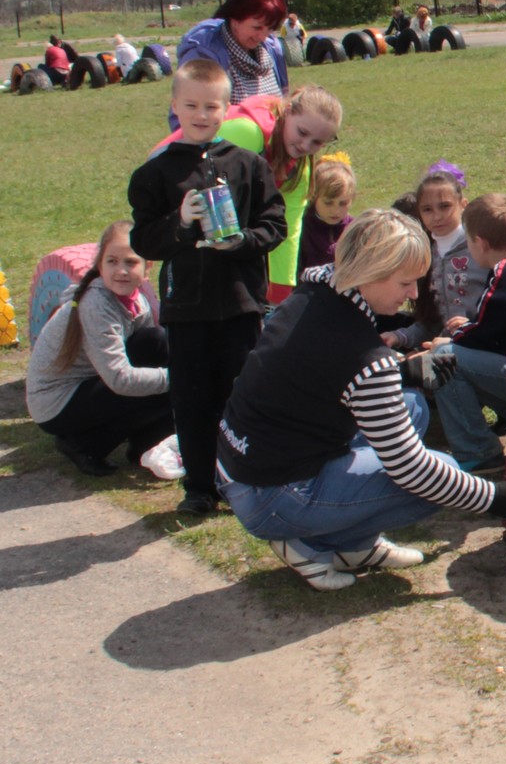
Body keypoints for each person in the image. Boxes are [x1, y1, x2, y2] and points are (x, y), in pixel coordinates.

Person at [217, 209, 506, 590]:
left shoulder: (311, 294)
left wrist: (402, 373)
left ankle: (354, 544)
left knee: (414, 407)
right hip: (273, 495)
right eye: (406, 283)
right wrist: (498, 496)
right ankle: (315, 545)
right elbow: (413, 472)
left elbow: (316, 373)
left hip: (237, 466)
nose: (413, 295)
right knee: (441, 469)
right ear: (370, 272)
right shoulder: (365, 357)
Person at [127, 59, 286, 513]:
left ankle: (244, 481)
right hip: (186, 309)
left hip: (241, 304)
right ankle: (199, 488)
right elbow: (144, 240)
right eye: (191, 105)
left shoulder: (249, 165)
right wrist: (179, 224)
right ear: (174, 106)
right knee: (193, 401)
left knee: (241, 396)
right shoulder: (154, 174)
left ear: (226, 109)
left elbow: (274, 226)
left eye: (211, 106)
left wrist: (242, 242)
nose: (201, 115)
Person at [150, 84, 342, 304]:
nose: (306, 145)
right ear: (288, 111)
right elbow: (200, 179)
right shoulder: (248, 132)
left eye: (317, 142)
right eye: (302, 132)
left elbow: (286, 232)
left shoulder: (299, 171)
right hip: (168, 184)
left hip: (207, 212)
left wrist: (280, 295)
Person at [25, 220, 181, 479]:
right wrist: (180, 379)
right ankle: (85, 444)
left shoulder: (137, 299)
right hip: (55, 403)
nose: (121, 270)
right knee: (166, 385)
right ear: (99, 264)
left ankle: (146, 444)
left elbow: (153, 348)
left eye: (130, 262)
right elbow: (120, 380)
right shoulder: (97, 304)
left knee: (157, 343)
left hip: (91, 383)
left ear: (147, 267)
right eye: (112, 261)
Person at [430, 192, 506, 474]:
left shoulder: (504, 272)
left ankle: (477, 451)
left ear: (481, 243)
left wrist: (453, 338)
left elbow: (486, 332)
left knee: (443, 358)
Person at [170, 0, 289, 130]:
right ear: (235, 18)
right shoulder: (204, 53)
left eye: (270, 28)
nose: (263, 36)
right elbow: (185, 122)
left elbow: (284, 101)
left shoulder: (271, 49)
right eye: (257, 27)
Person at [388, 162, 486, 351]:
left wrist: (474, 326)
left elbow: (505, 305)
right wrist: (399, 336)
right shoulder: (425, 254)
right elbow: (432, 321)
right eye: (427, 210)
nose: (437, 216)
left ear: (463, 204)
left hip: (481, 345)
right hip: (444, 346)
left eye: (444, 206)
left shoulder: (481, 246)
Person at [298, 153, 356, 276]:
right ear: (314, 197)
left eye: (343, 203)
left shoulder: (356, 229)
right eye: (328, 203)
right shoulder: (301, 228)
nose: (336, 211)